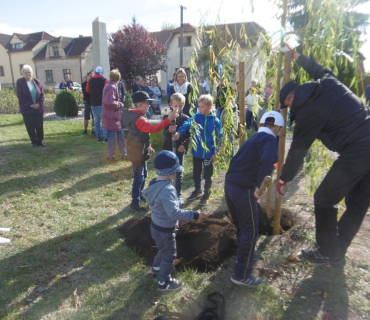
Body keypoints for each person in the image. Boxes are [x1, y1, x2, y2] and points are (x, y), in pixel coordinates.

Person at [277, 45, 370, 267]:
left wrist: (283, 178)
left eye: (286, 105)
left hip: (357, 150)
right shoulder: (328, 81)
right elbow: (317, 68)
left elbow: (298, 149)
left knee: (324, 198)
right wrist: (296, 56)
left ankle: (327, 251)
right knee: (357, 203)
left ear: (291, 98)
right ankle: (337, 250)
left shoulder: (307, 113)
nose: (288, 109)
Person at [225, 110, 284, 287]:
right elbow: (267, 160)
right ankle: (241, 274)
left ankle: (245, 252)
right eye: (279, 130)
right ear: (277, 127)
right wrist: (259, 187)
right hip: (243, 190)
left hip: (230, 185)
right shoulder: (269, 139)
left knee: (242, 226)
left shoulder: (253, 138)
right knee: (250, 230)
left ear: (262, 124)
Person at [142, 150, 206, 292]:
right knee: (170, 256)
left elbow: (164, 208)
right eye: (175, 171)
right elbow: (173, 213)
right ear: (171, 172)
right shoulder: (167, 189)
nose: (176, 173)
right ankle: (164, 282)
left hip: (155, 226)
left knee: (162, 249)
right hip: (165, 230)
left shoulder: (153, 184)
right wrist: (194, 214)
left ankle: (156, 268)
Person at [122, 91, 178, 213]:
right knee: (139, 177)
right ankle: (134, 202)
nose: (149, 106)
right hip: (137, 153)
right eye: (147, 103)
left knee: (144, 175)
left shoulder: (135, 116)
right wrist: (168, 119)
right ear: (140, 105)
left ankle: (140, 195)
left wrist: (149, 145)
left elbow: (141, 134)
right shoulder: (139, 119)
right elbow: (153, 129)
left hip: (139, 150)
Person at [172, 94, 222, 206]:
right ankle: (197, 190)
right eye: (198, 106)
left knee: (208, 174)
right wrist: (180, 132)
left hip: (209, 153)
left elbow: (219, 138)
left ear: (210, 107)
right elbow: (187, 123)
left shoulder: (216, 121)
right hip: (197, 152)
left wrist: (216, 152)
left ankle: (206, 194)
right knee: (196, 173)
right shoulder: (196, 117)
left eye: (202, 107)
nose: (199, 109)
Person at [162, 93, 190, 204]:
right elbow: (164, 133)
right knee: (167, 173)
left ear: (183, 105)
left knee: (178, 173)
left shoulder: (186, 119)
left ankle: (178, 195)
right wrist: (169, 131)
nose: (178, 108)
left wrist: (184, 145)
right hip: (168, 149)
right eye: (175, 106)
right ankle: (167, 194)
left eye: (180, 106)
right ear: (170, 105)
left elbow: (189, 135)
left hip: (179, 151)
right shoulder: (166, 118)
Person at [16, 65, 45, 147]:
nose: (28, 74)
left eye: (29, 72)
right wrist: (30, 105)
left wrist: (38, 104)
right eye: (26, 72)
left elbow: (42, 94)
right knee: (30, 125)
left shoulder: (36, 81)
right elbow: (20, 95)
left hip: (38, 108)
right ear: (23, 73)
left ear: (32, 73)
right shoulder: (20, 82)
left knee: (39, 125)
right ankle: (34, 142)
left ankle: (40, 141)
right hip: (27, 109)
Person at [102, 69, 127, 161]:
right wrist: (120, 104)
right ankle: (110, 155)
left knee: (121, 137)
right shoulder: (111, 87)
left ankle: (123, 153)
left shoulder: (109, 86)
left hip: (114, 117)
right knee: (113, 138)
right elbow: (109, 103)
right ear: (118, 78)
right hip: (111, 117)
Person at [87, 66, 109, 143]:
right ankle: (106, 138)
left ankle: (98, 138)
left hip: (93, 103)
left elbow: (87, 90)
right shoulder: (104, 80)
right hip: (101, 104)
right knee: (104, 121)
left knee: (96, 121)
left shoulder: (90, 80)